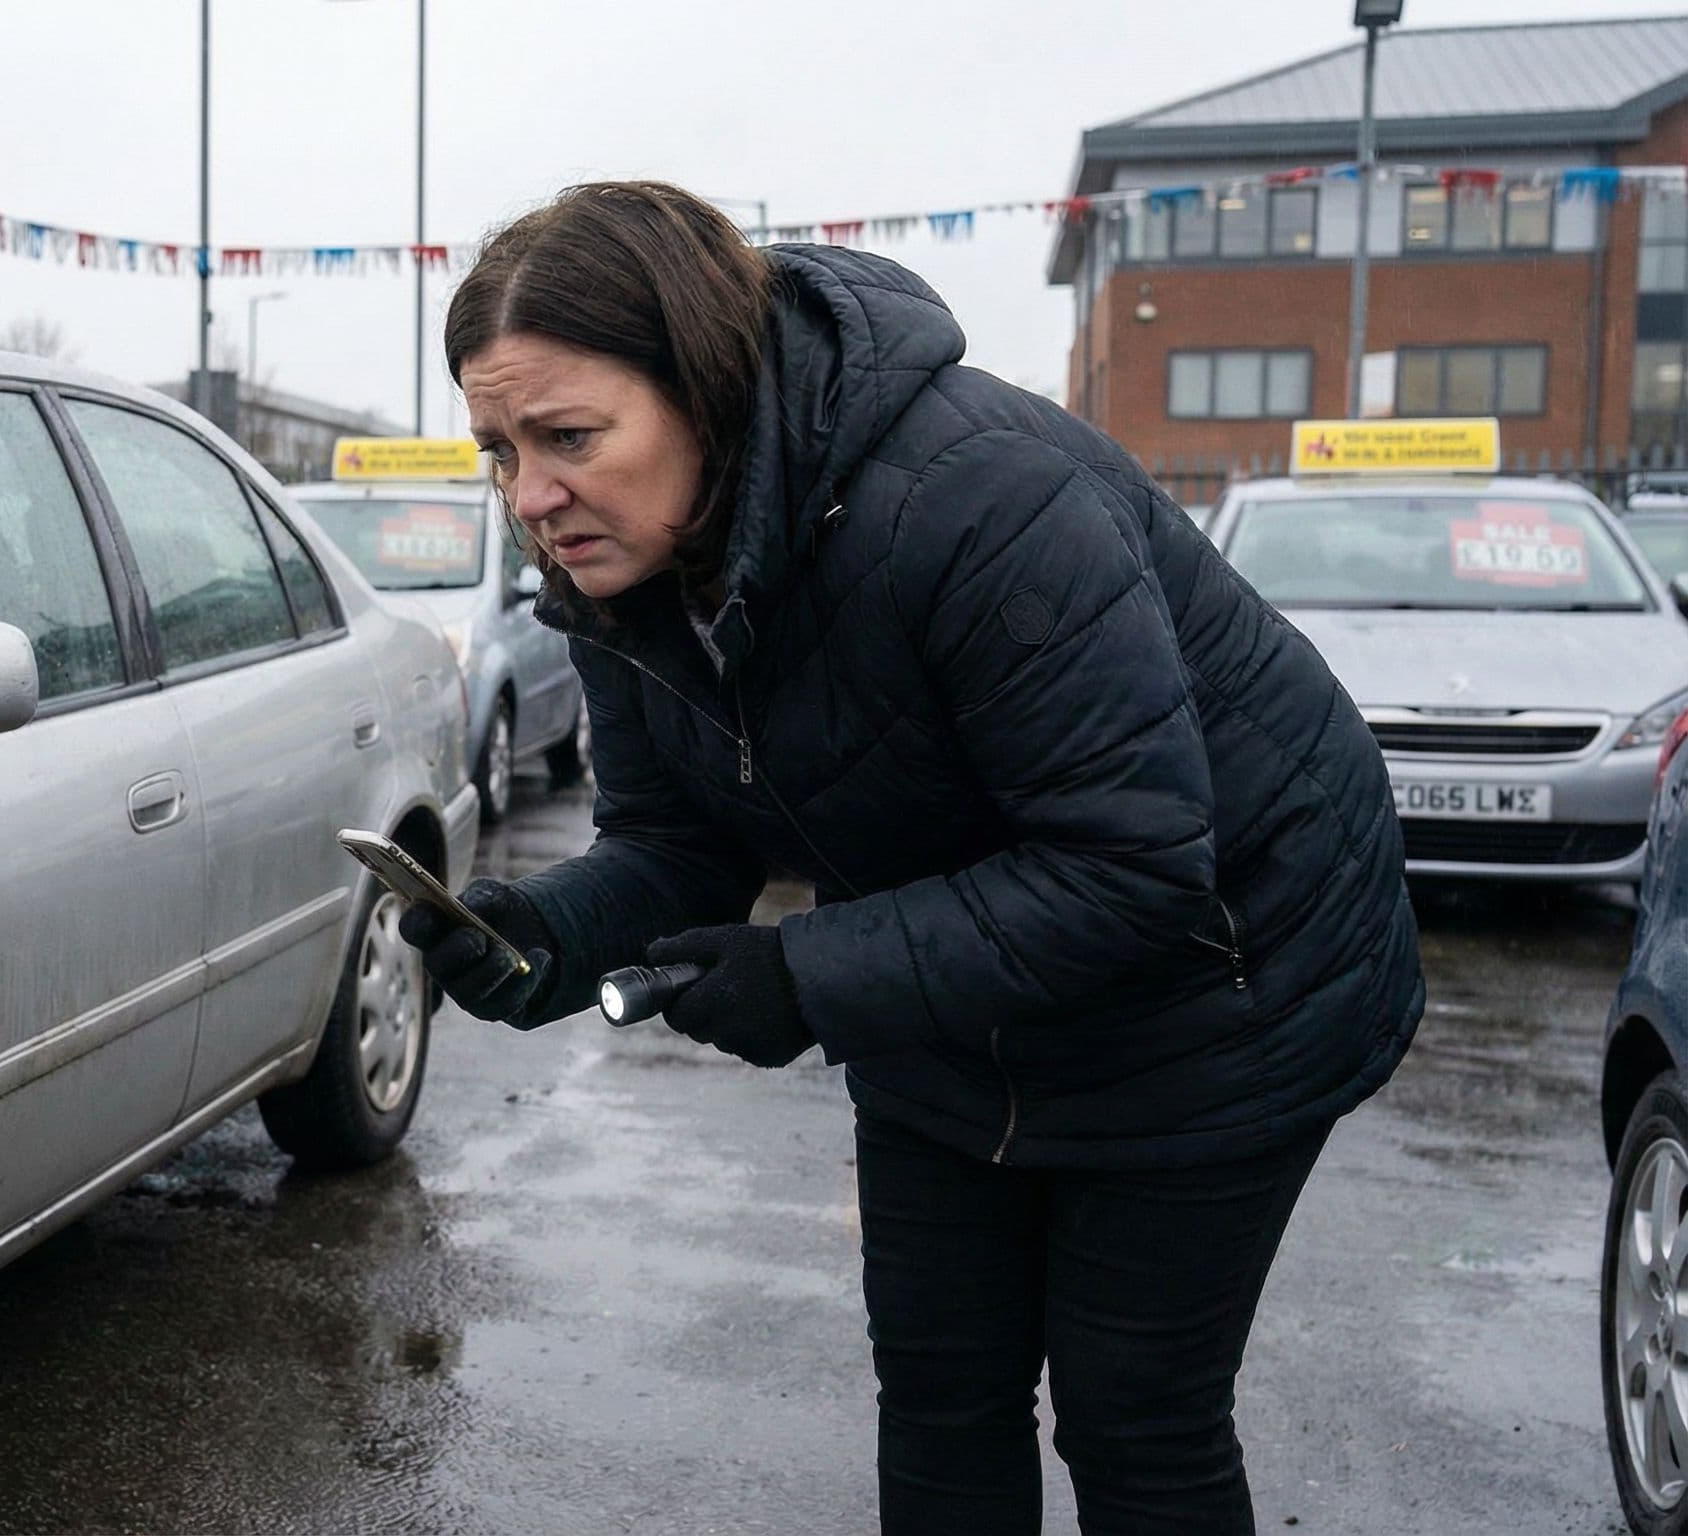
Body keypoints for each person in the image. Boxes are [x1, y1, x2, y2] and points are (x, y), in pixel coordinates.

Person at [400, 181, 1421, 1535]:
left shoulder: (981, 502)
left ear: (705, 391)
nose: (533, 497)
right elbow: (674, 840)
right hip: (949, 988)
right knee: (941, 1388)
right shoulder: (614, 574)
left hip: (1223, 981)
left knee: (1135, 1411)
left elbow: (1128, 869)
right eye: (497, 451)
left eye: (569, 437)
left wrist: (809, 978)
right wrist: (539, 935)